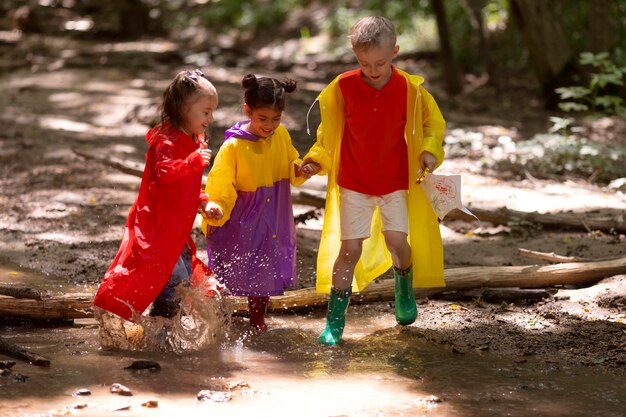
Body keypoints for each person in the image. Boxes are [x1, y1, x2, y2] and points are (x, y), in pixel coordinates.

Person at [299, 16, 446, 345]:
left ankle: (403, 285)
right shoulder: (343, 87)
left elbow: (431, 126)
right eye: (364, 64)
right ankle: (335, 322)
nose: (373, 70)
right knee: (349, 249)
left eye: (380, 63)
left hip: (395, 181)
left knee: (397, 242)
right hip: (353, 181)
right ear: (355, 56)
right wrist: (315, 161)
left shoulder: (411, 89)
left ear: (395, 51)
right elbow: (328, 135)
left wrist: (428, 152)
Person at [94, 69, 221, 321]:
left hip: (177, 231)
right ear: (184, 107)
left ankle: (161, 332)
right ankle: (156, 334)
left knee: (184, 282)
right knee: (174, 282)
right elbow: (164, 174)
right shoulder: (167, 141)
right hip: (158, 228)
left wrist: (204, 202)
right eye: (206, 112)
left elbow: (187, 186)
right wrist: (192, 161)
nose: (211, 118)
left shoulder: (195, 140)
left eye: (212, 112)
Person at [202, 74, 309, 332]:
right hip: (241, 218)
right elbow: (220, 182)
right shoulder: (234, 146)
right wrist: (216, 207)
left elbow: (290, 162)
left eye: (276, 119)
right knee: (233, 265)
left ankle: (257, 319)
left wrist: (301, 169)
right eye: (263, 119)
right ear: (248, 111)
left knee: (265, 267)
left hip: (272, 215)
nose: (270, 125)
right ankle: (217, 317)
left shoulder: (281, 136)